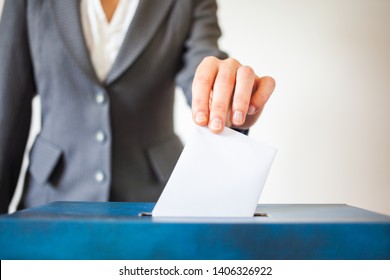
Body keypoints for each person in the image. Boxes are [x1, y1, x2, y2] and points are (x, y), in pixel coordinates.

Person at [0, 0, 275, 214]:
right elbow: (6, 114)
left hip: (152, 200)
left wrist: (227, 99)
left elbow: (202, 68)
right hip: (51, 197)